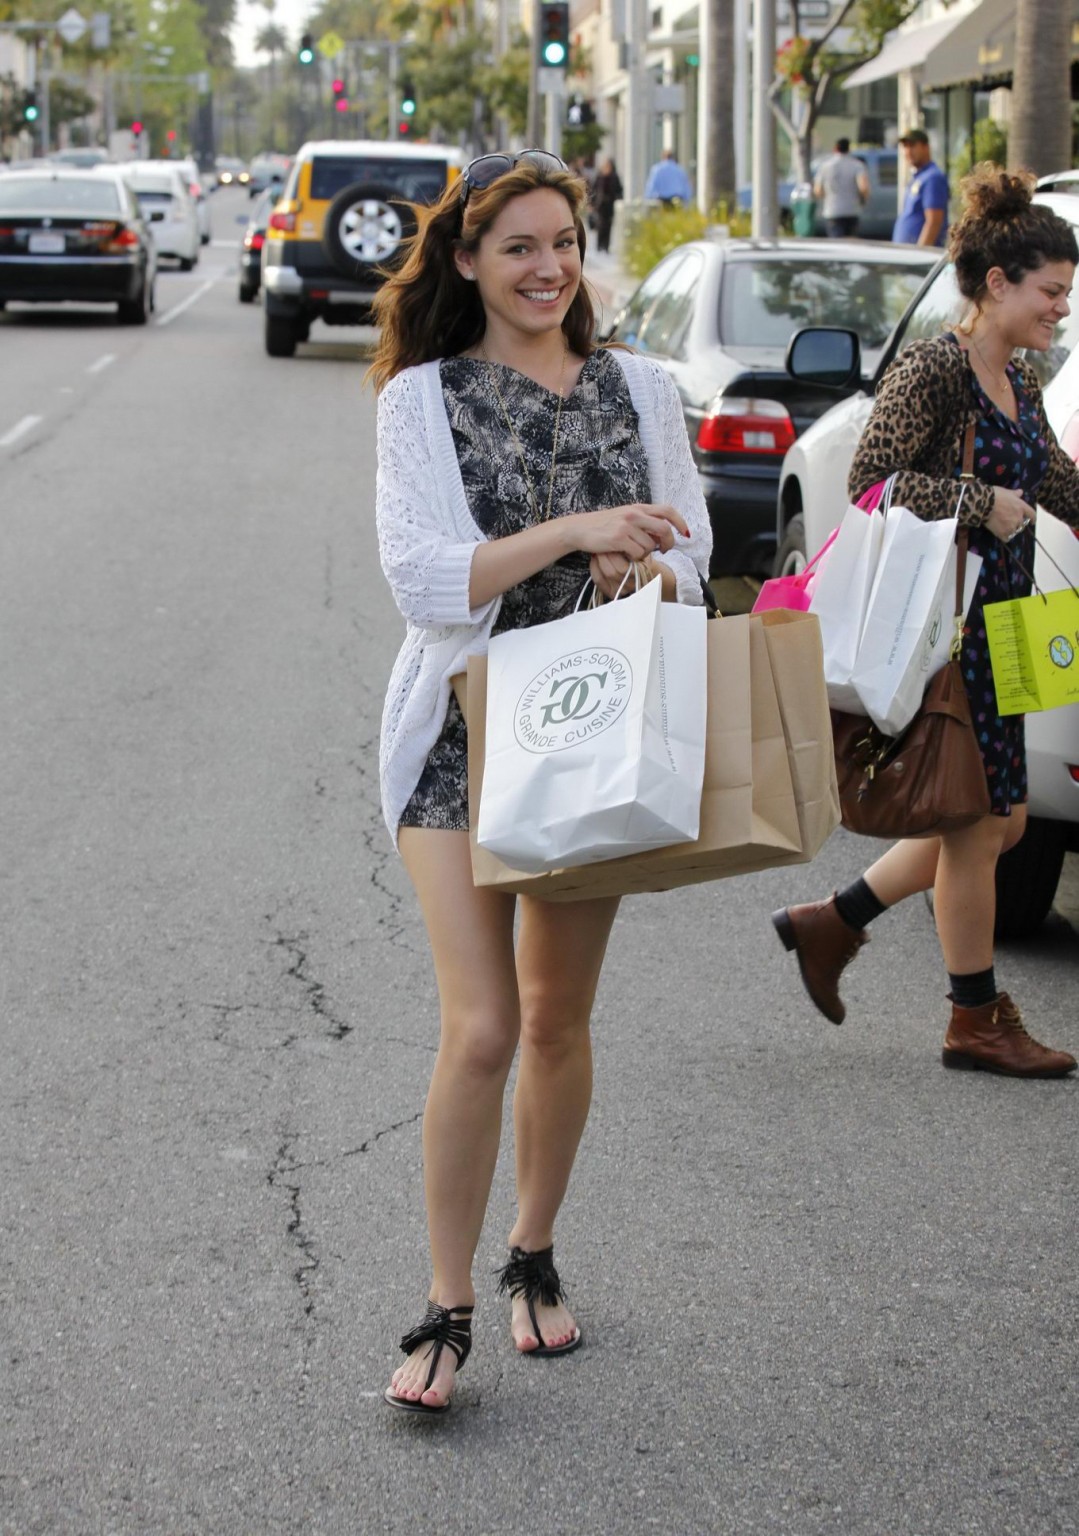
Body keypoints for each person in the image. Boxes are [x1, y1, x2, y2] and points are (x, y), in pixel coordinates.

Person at [368, 149, 712, 1414]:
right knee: (483, 1028)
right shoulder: (423, 400)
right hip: (460, 736)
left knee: (557, 1020)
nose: (544, 266)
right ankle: (444, 1303)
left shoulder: (643, 387)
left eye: (560, 240)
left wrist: (650, 566)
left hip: (598, 731)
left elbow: (697, 543)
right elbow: (422, 579)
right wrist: (574, 531)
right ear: (465, 261)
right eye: (514, 244)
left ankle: (534, 1253)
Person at [773, 164, 1079, 1079]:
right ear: (997, 285)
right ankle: (972, 1017)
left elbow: (1057, 480)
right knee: (977, 826)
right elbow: (871, 480)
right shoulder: (936, 367)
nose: (1059, 311)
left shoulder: (1018, 375)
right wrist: (975, 497)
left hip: (1014, 622)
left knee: (1006, 823)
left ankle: (833, 921)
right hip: (953, 624)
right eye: (1050, 294)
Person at [893, 128, 949, 247]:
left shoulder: (932, 177)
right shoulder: (918, 177)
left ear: (926, 147)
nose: (908, 151)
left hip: (920, 258)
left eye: (912, 146)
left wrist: (921, 253)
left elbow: (934, 221)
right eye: (905, 147)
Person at [813, 138, 869, 238]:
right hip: (852, 210)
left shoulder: (825, 166)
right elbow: (863, 188)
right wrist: (863, 200)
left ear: (835, 148)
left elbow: (817, 190)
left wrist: (827, 197)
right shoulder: (857, 165)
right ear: (849, 149)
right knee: (851, 244)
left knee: (836, 245)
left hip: (832, 210)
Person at [591, 156, 623, 253]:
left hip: (609, 205)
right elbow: (594, 189)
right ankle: (599, 245)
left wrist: (618, 198)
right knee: (600, 225)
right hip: (600, 205)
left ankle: (606, 246)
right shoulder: (600, 176)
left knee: (608, 226)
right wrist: (591, 203)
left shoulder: (614, 177)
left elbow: (619, 190)